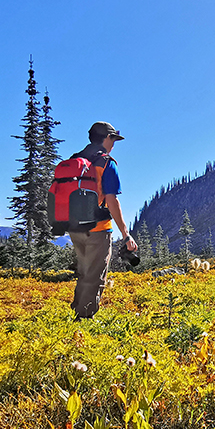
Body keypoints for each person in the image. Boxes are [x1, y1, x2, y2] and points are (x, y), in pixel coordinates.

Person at [68, 121, 137, 318]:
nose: (114, 143)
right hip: (98, 228)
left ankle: (76, 313)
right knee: (96, 275)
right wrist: (126, 233)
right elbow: (112, 200)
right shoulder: (107, 163)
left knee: (84, 271)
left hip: (74, 227)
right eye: (113, 138)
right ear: (106, 138)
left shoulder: (75, 160)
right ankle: (84, 320)